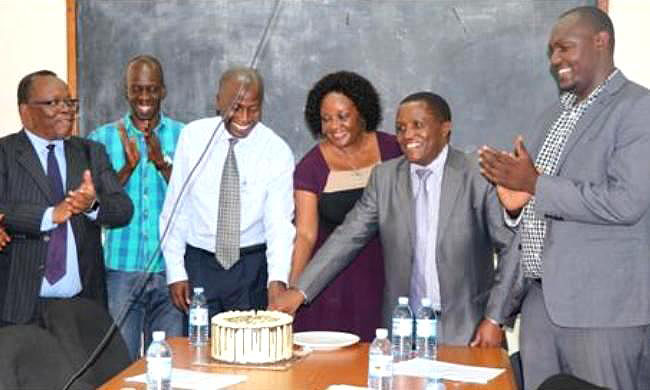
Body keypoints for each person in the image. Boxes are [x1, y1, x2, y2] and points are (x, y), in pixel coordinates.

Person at [478, 6, 650, 390]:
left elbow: (627, 202)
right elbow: (532, 195)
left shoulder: (639, 108)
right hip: (540, 305)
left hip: (603, 311)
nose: (556, 61)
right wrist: (514, 205)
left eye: (564, 48)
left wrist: (536, 186)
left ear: (600, 42)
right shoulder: (551, 115)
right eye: (551, 52)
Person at [272, 92, 519, 347]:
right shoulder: (385, 178)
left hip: (470, 328)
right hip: (403, 330)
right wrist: (299, 291)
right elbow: (346, 238)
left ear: (446, 128)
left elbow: (512, 248)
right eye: (400, 128)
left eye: (417, 125)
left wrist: (494, 319)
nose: (407, 135)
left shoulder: (479, 176)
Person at [0, 70, 133, 387]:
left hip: (80, 306)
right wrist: (50, 215)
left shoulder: (90, 152)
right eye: (53, 102)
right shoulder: (4, 154)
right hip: (20, 306)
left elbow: (122, 209)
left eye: (69, 102)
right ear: (25, 110)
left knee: (82, 383)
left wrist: (91, 206)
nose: (65, 109)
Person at [160, 67, 295, 324]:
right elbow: (177, 208)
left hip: (250, 267)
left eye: (253, 108)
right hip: (200, 264)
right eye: (236, 107)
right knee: (200, 352)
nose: (244, 117)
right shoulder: (193, 137)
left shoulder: (277, 151)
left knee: (248, 353)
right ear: (218, 101)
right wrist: (175, 271)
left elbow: (279, 224)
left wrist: (277, 279)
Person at [289, 71, 401, 342]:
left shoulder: (394, 150)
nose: (334, 127)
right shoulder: (311, 166)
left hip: (387, 275)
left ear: (362, 112)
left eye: (342, 116)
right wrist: (294, 289)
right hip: (332, 284)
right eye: (326, 119)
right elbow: (305, 234)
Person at [87, 55, 184, 362]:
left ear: (163, 91)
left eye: (151, 89)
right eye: (137, 89)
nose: (144, 97)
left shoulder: (186, 136)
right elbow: (93, 205)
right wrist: (127, 169)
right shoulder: (101, 139)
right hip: (120, 270)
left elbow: (195, 200)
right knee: (120, 365)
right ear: (126, 91)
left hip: (172, 272)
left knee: (171, 365)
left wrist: (161, 163)